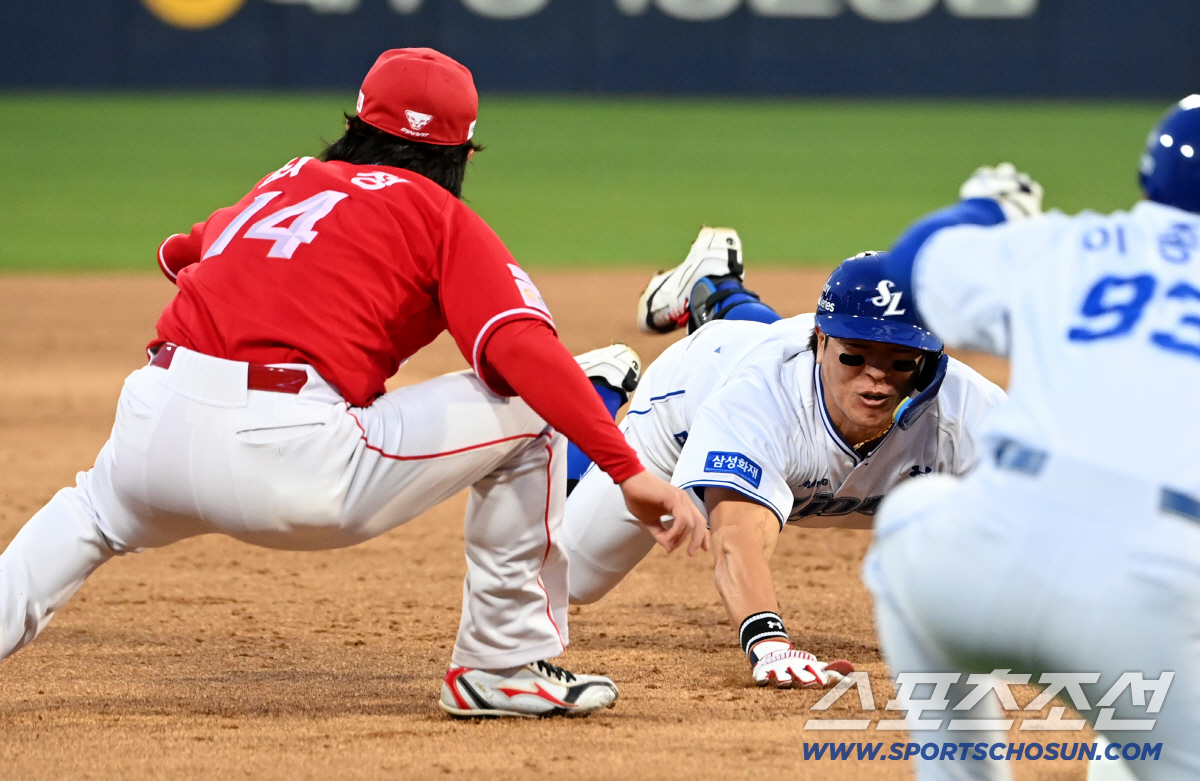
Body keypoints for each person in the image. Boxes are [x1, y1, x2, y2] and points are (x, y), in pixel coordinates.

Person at [0, 47, 708, 720]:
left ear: (356, 124)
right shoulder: (441, 217)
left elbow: (182, 253)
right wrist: (624, 468)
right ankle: (503, 665)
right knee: (534, 404)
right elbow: (519, 345)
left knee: (89, 513)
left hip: (153, 423)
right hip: (289, 460)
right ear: (462, 153)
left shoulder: (286, 179)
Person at [862, 96, 1200, 780]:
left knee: (910, 519)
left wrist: (987, 208)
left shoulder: (1067, 244)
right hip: (1147, 601)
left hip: (978, 563)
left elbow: (902, 271)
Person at [563, 228, 1006, 688]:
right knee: (568, 579)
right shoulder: (758, 401)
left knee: (768, 342)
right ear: (822, 341)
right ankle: (592, 390)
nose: (875, 379)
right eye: (854, 356)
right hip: (685, 408)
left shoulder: (969, 412)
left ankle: (718, 286)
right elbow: (737, 535)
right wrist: (768, 642)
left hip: (771, 361)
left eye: (900, 362)